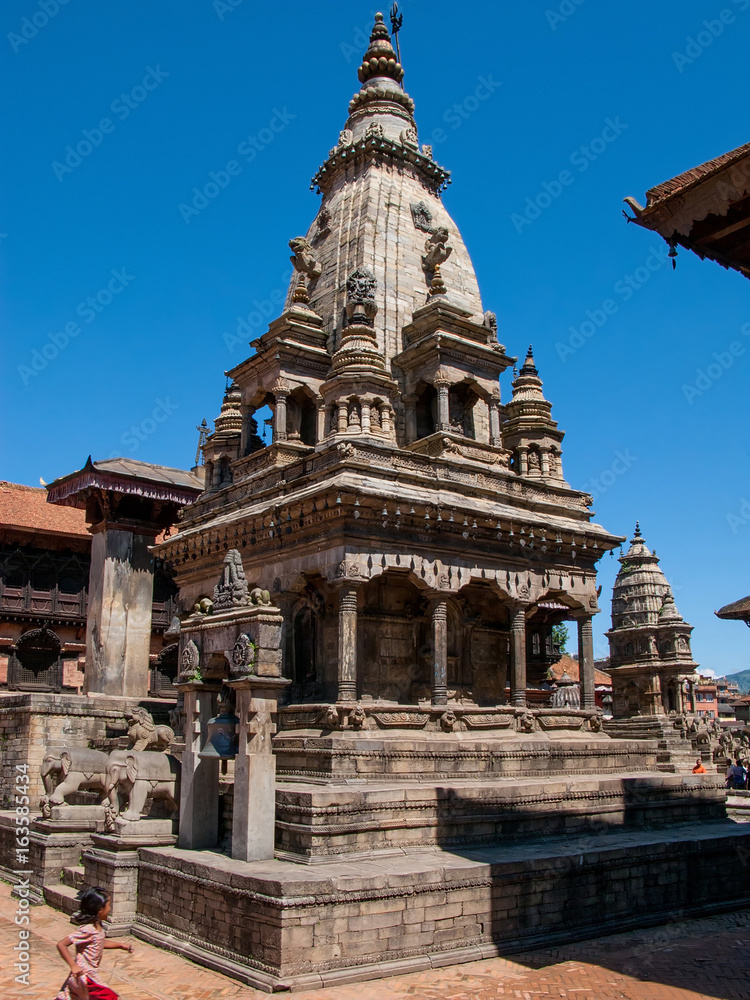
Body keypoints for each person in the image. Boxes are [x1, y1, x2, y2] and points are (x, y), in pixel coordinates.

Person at [55, 886, 133, 1000]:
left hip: (90, 975)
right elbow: (62, 944)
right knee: (109, 997)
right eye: (109, 905)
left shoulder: (98, 927)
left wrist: (120, 945)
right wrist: (73, 965)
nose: (110, 909)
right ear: (100, 909)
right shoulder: (88, 929)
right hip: (85, 976)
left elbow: (100, 942)